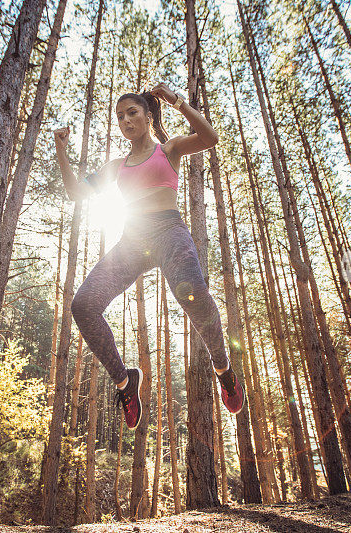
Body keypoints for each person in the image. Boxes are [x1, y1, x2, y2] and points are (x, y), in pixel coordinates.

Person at [53, 82, 244, 430]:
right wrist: (60, 148)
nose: (126, 120)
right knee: (83, 306)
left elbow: (210, 138)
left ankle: (223, 368)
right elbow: (74, 192)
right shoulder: (116, 166)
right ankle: (126, 382)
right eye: (120, 116)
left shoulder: (169, 150)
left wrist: (177, 101)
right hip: (132, 240)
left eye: (132, 112)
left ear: (148, 115)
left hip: (169, 231)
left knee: (191, 290)